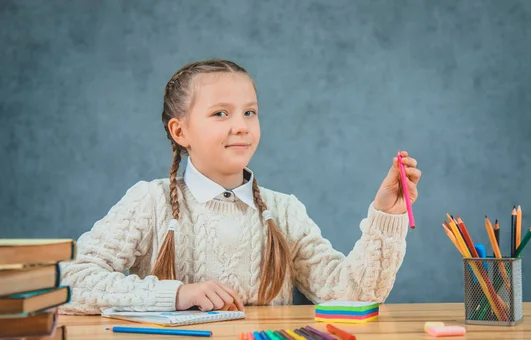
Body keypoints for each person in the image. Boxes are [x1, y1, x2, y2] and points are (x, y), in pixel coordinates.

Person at [59, 59, 421, 315]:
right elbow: (69, 282)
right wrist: (177, 294)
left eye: (250, 112)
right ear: (179, 131)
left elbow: (353, 296)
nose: (242, 126)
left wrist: (387, 215)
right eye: (221, 113)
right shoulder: (148, 203)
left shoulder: (284, 212)